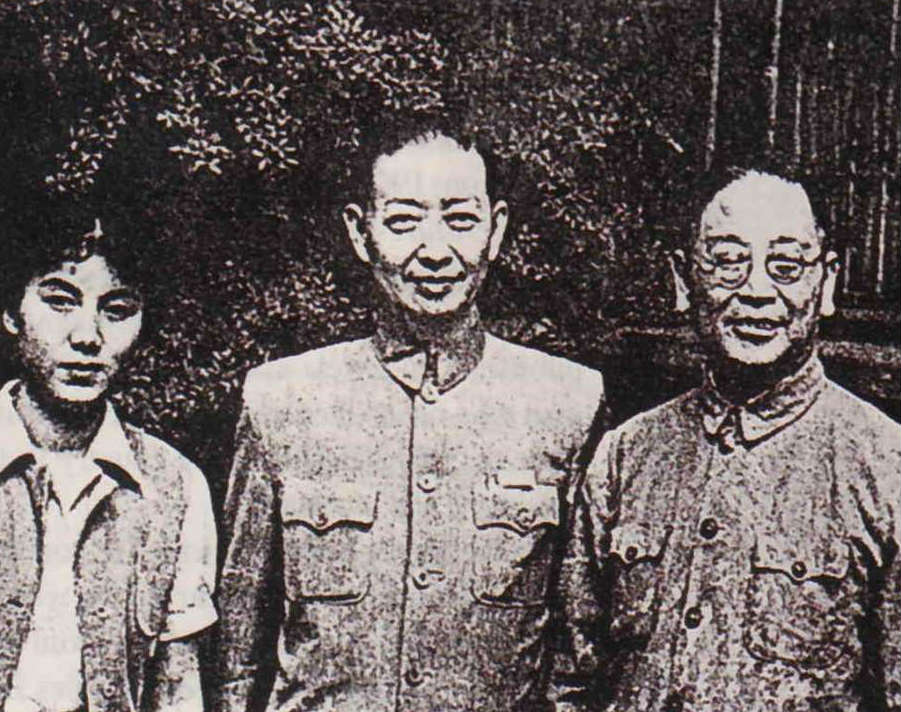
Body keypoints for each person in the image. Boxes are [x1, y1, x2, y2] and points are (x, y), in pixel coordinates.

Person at [215, 120, 605, 712]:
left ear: (496, 230)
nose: (435, 251)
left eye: (461, 220)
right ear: (360, 231)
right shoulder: (282, 401)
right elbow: (236, 661)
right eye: (403, 222)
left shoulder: (565, 402)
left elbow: (577, 664)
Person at [555, 168, 901, 711]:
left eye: (786, 267)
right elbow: (571, 684)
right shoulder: (625, 456)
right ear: (683, 279)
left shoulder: (886, 466)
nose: (757, 291)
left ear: (827, 283)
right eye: (728, 261)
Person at [0, 197, 217, 712]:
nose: (87, 337)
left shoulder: (174, 485)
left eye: (116, 311)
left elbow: (178, 689)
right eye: (60, 302)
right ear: (10, 311)